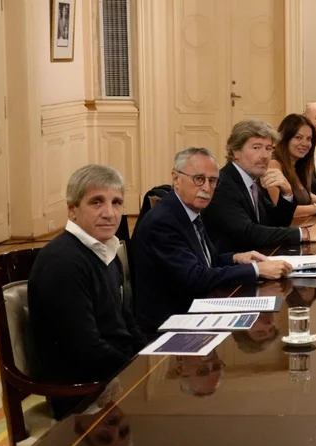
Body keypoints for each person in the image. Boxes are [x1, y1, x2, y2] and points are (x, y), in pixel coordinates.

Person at [132, 147, 294, 336]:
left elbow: (206, 262)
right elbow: (196, 277)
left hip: (196, 309)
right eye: (199, 179)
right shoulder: (163, 221)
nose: (207, 188)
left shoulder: (189, 210)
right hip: (169, 324)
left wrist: (237, 258)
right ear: (176, 179)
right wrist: (257, 270)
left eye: (212, 181)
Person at [29, 165, 148, 418]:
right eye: (97, 202)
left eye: (116, 202)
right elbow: (85, 349)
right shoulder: (63, 263)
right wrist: (138, 370)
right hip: (84, 394)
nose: (109, 213)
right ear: (72, 210)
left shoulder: (105, 249)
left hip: (114, 376)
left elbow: (125, 321)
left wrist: (151, 357)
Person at [203, 119, 316, 254]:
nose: (265, 156)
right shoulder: (222, 184)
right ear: (236, 151)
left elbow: (276, 221)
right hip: (232, 263)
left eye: (269, 148)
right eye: (256, 148)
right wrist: (305, 233)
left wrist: (287, 193)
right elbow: (249, 233)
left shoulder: (251, 182)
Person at [267, 113, 316, 219]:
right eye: (298, 137)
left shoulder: (298, 165)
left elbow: (304, 195)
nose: (305, 143)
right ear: (285, 138)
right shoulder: (274, 164)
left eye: (309, 139)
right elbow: (278, 210)